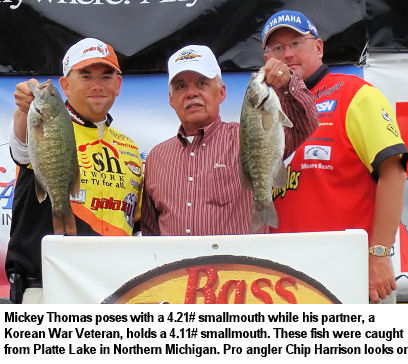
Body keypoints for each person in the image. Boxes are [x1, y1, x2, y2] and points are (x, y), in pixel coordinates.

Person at [262, 10, 408, 303]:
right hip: (282, 279)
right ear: (267, 59)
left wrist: (379, 254)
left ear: (318, 47)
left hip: (350, 271)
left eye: (296, 43)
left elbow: (393, 173)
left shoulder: (354, 93)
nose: (287, 54)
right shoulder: (264, 109)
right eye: (277, 48)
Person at [6, 38, 144, 303]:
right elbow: (21, 145)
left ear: (118, 85)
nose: (97, 85)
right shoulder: (44, 124)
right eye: (85, 75)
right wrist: (24, 108)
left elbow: (135, 226)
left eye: (106, 76)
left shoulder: (130, 147)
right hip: (46, 290)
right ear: (65, 85)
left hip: (115, 294)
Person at [140, 44, 318, 236]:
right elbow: (151, 233)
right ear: (171, 99)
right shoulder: (156, 157)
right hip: (176, 266)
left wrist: (287, 83)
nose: (191, 93)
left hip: (240, 266)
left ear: (222, 92)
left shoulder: (248, 136)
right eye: (181, 86)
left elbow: (305, 124)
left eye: (202, 83)